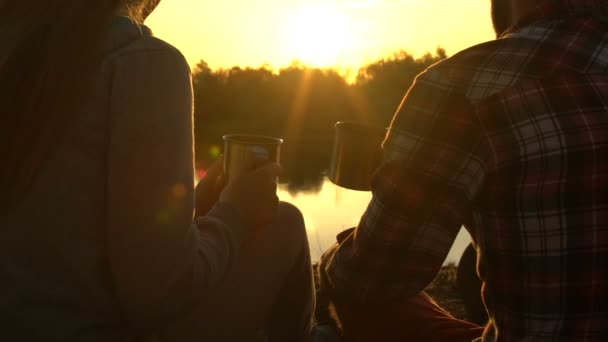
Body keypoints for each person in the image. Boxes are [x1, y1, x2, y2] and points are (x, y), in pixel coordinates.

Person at [0, 1, 314, 341]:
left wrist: (196, 205)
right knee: (286, 225)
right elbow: (161, 292)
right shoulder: (142, 63)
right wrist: (235, 214)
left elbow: (65, 225)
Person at [319, 0, 608, 340]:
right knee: (473, 262)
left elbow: (374, 278)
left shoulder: (467, 83)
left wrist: (333, 261)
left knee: (342, 267)